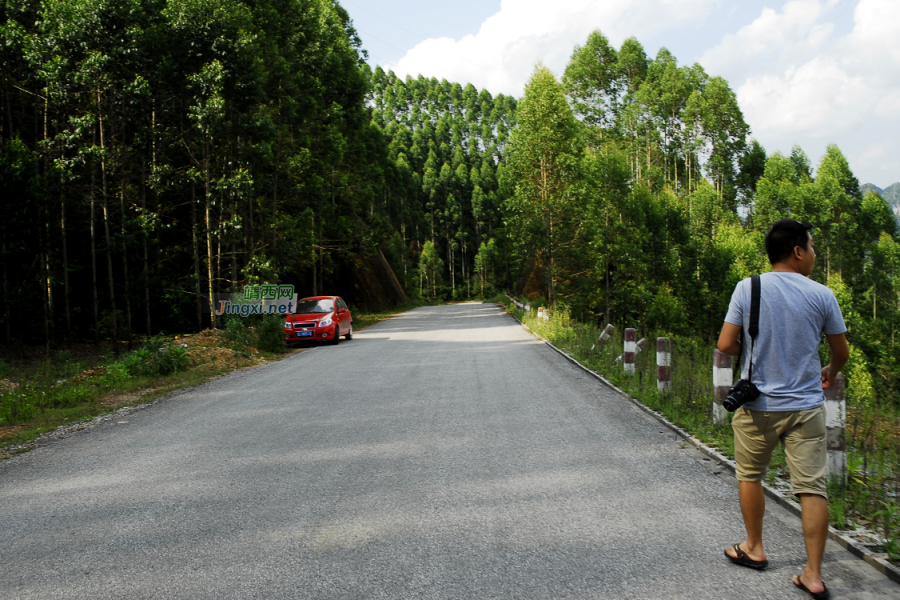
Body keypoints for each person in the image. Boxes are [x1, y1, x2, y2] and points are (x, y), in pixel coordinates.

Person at [717, 219, 849, 600]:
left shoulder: (748, 287)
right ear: (797, 251)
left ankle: (754, 548)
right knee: (812, 489)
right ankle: (812, 575)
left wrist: (753, 354)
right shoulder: (822, 295)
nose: (814, 254)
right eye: (812, 247)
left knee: (750, 475)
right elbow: (841, 352)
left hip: (757, 403)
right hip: (807, 407)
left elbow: (726, 343)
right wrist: (831, 370)